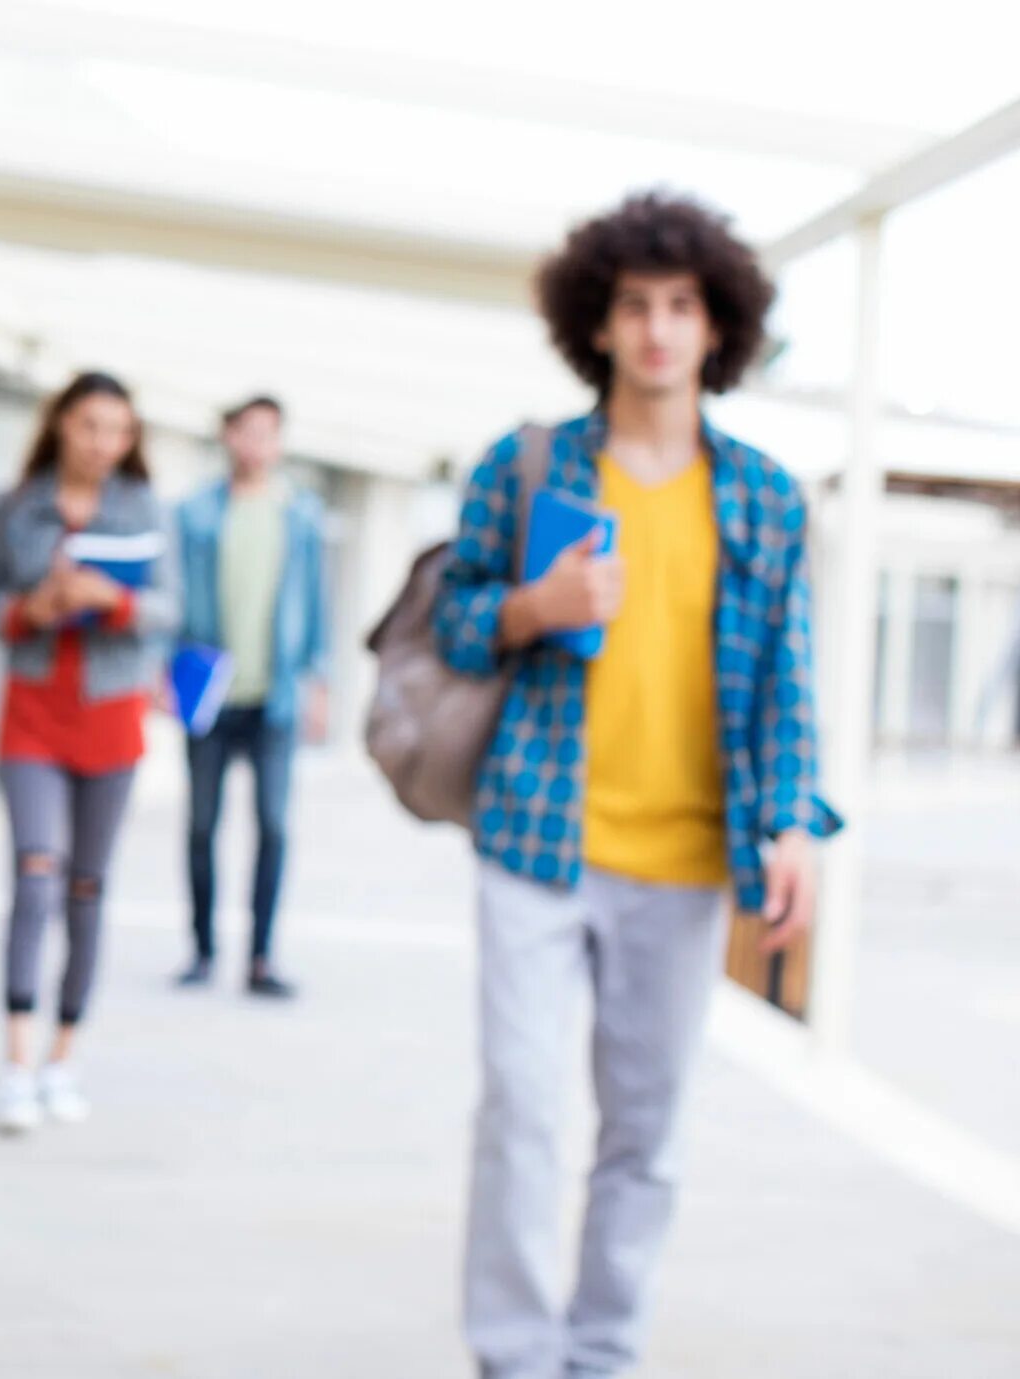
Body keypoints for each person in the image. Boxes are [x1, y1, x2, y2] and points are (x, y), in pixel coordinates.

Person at [435, 192, 840, 1379]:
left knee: (645, 1136)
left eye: (681, 307)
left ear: (717, 329)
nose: (658, 331)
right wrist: (529, 607)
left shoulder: (763, 495)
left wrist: (793, 827)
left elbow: (783, 680)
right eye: (634, 307)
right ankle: (513, 1355)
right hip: (535, 839)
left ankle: (599, 1353)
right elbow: (450, 623)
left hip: (683, 862)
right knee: (521, 1112)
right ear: (595, 325)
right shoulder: (528, 468)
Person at [0, 372, 176, 1133]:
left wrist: (110, 601)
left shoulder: (144, 509)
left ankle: (63, 1056)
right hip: (31, 716)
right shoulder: (15, 505)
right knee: (35, 875)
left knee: (86, 888)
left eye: (118, 431)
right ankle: (16, 1062)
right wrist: (33, 608)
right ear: (61, 424)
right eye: (90, 426)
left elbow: (170, 608)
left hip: (111, 718)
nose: (103, 444)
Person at [172, 395, 328, 998]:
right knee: (201, 826)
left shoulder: (301, 515)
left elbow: (315, 602)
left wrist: (318, 681)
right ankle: (202, 951)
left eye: (270, 434)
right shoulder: (196, 513)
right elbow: (179, 596)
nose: (258, 444)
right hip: (209, 694)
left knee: (273, 826)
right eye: (248, 431)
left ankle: (261, 958)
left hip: (276, 698)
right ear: (228, 436)